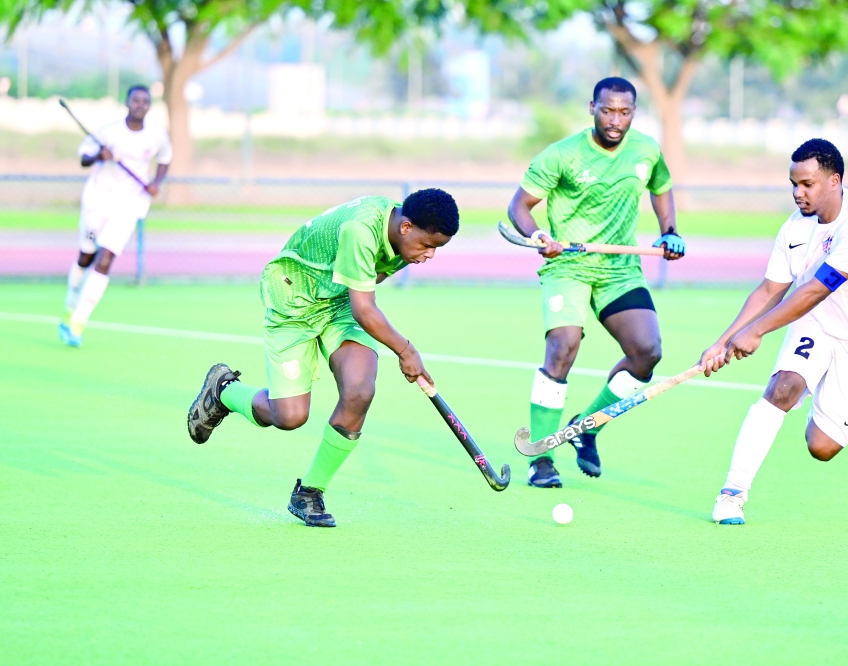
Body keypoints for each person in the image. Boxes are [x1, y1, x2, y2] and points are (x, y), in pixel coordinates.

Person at [187, 190, 459, 527]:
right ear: (406, 227)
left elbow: (367, 284)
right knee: (289, 416)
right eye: (427, 245)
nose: (430, 255)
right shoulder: (362, 229)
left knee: (360, 391)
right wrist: (405, 350)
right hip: (293, 300)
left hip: (339, 303)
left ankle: (309, 492)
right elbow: (365, 310)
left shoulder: (405, 243)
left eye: (437, 248)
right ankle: (224, 391)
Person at [700, 138, 848, 525]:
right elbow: (769, 291)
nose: (798, 193)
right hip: (817, 322)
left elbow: (816, 289)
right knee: (782, 389)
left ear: (834, 181)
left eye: (807, 184)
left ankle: (820, 394)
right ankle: (732, 494)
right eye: (794, 184)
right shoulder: (794, 228)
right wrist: (723, 342)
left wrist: (757, 332)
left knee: (822, 447)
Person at [507, 77, 685, 488]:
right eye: (607, 110)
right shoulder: (563, 154)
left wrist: (670, 231)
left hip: (620, 268)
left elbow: (661, 188)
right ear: (592, 108)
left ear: (634, 112)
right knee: (562, 348)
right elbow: (519, 206)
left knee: (647, 352)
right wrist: (538, 236)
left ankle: (587, 427)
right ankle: (541, 457)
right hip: (567, 265)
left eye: (624, 112)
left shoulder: (646, 150)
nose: (615, 120)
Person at [59, 85, 171, 347]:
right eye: (135, 100)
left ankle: (78, 322)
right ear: (127, 103)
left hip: (129, 205)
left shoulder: (157, 136)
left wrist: (156, 183)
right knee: (86, 256)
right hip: (98, 202)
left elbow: (165, 158)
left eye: (145, 101)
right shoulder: (109, 132)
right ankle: (69, 308)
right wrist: (100, 155)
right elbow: (84, 159)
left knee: (106, 258)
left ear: (149, 106)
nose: (140, 104)